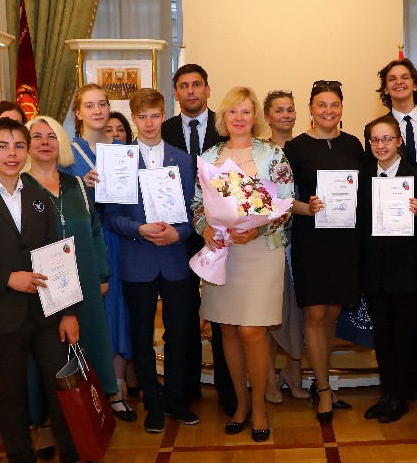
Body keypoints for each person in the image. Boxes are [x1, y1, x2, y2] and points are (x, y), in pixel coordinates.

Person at [0, 118, 115, 463]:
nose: (11, 154)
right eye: (2, 146)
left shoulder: (38, 195)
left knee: (61, 386)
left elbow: (56, 255)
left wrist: (69, 311)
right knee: (11, 393)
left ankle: (73, 461)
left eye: (18, 146)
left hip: (48, 310)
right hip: (1, 313)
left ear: (26, 151)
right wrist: (7, 278)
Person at [193, 87, 294, 441]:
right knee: (228, 330)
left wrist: (257, 229)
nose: (239, 118)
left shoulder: (273, 154)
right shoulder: (210, 157)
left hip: (261, 250)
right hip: (223, 251)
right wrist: (205, 228)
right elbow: (197, 204)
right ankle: (241, 404)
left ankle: (261, 407)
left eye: (246, 112)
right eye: (232, 111)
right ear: (223, 117)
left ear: (256, 117)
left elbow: (286, 203)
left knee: (252, 330)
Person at [22, 116, 134, 420]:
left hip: (85, 281)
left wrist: (101, 274)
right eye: (37, 137)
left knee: (90, 345)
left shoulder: (75, 185)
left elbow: (95, 230)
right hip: (43, 285)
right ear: (26, 145)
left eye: (51, 137)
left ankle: (89, 415)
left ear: (61, 143)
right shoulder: (21, 187)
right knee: (48, 354)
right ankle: (48, 423)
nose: (45, 143)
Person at [104, 88, 201, 434]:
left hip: (175, 258)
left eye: (155, 116)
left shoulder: (183, 159)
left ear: (164, 115)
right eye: (142, 117)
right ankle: (153, 401)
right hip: (137, 258)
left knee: (179, 332)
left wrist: (180, 233)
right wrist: (139, 229)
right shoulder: (120, 160)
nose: (149, 123)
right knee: (142, 334)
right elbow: (111, 216)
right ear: (133, 119)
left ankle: (174, 397)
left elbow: (193, 212)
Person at [285, 80, 363, 424]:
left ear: (342, 108)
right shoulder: (296, 147)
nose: (328, 111)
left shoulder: (354, 144)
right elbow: (282, 197)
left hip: (345, 242)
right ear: (311, 109)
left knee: (332, 314)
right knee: (315, 314)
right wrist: (307, 207)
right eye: (321, 104)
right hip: (312, 240)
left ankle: (322, 378)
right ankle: (324, 389)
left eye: (334, 104)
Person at [160, 64, 233, 414]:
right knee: (182, 314)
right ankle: (187, 387)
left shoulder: (226, 126)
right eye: (184, 86)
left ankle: (228, 391)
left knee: (222, 315)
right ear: (176, 93)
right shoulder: (163, 131)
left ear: (207, 89)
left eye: (197, 84)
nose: (191, 91)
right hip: (177, 235)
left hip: (220, 234)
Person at [359, 115, 417, 423]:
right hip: (374, 271)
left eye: (387, 138)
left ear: (399, 141)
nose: (381, 145)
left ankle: (400, 396)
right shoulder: (363, 178)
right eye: (375, 140)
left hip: (405, 271)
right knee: (382, 336)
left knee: (404, 335)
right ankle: (387, 393)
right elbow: (360, 228)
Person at [263, 89, 309, 403]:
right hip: (269, 241)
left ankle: (294, 374)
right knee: (271, 312)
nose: (285, 115)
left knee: (299, 311)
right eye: (278, 110)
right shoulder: (260, 152)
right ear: (267, 116)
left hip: (301, 240)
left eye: (290, 109)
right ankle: (268, 378)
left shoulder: (304, 148)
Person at [100, 112, 136, 400]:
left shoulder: (138, 161)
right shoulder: (86, 162)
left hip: (131, 243)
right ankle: (109, 389)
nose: (114, 135)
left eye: (120, 129)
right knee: (108, 312)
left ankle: (124, 384)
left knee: (127, 311)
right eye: (108, 130)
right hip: (103, 239)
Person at [60, 84, 108, 190]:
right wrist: (79, 187)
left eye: (102, 104)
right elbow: (59, 196)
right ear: (78, 113)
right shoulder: (68, 154)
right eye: (89, 106)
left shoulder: (124, 148)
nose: (98, 111)